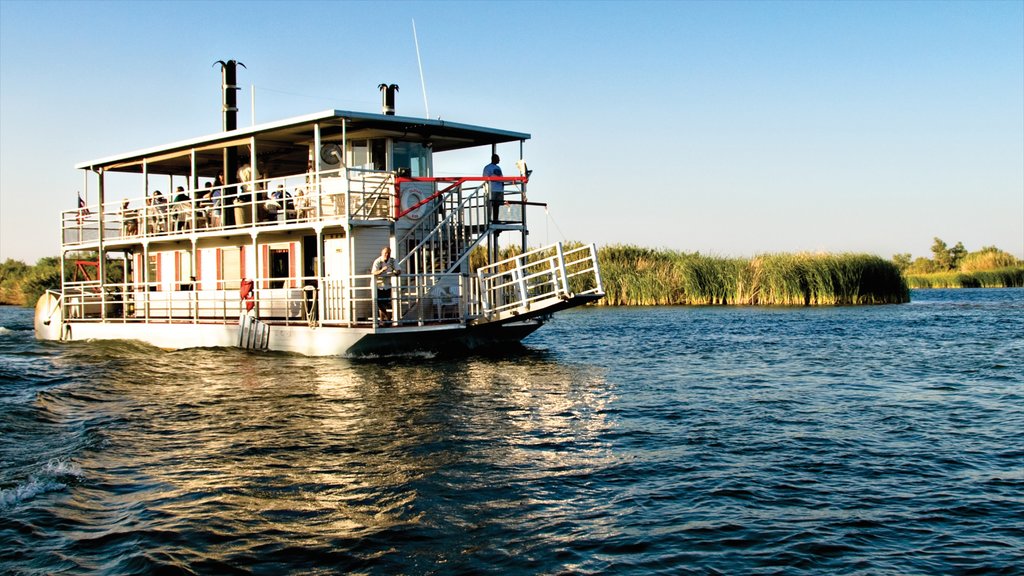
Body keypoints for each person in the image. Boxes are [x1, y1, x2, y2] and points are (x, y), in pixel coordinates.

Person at [371, 246, 400, 324]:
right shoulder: (378, 261)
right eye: (385, 253)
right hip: (378, 285)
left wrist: (396, 272)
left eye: (388, 253)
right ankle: (387, 317)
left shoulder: (392, 261)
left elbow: (399, 270)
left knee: (386, 303)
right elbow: (374, 272)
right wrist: (382, 270)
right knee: (378, 303)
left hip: (387, 285)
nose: (387, 255)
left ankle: (383, 321)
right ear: (382, 253)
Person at [483, 153, 505, 222]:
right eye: (498, 158)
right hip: (492, 189)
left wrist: (502, 185)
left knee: (497, 205)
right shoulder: (488, 167)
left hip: (499, 190)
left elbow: (502, 177)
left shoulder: (498, 168)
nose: (499, 160)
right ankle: (489, 219)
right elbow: (485, 177)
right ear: (494, 159)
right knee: (490, 204)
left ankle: (496, 219)